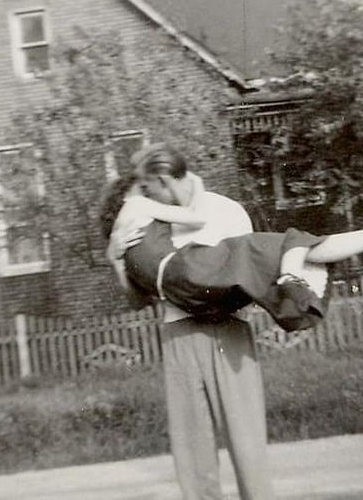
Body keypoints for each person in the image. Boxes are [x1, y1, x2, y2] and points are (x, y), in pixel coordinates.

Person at [103, 143, 363, 332]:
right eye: (144, 187)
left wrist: (114, 260)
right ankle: (297, 273)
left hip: (190, 292)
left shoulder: (130, 235)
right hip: (187, 273)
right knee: (284, 246)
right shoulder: (137, 205)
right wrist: (195, 179)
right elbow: (197, 215)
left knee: (295, 249)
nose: (149, 194)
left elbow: (140, 295)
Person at [106, 145, 277, 500]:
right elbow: (137, 300)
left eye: (150, 189)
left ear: (165, 181)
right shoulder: (148, 222)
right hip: (179, 336)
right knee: (192, 452)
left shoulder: (226, 211)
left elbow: (249, 277)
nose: (147, 197)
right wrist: (116, 259)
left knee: (248, 446)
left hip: (229, 330)